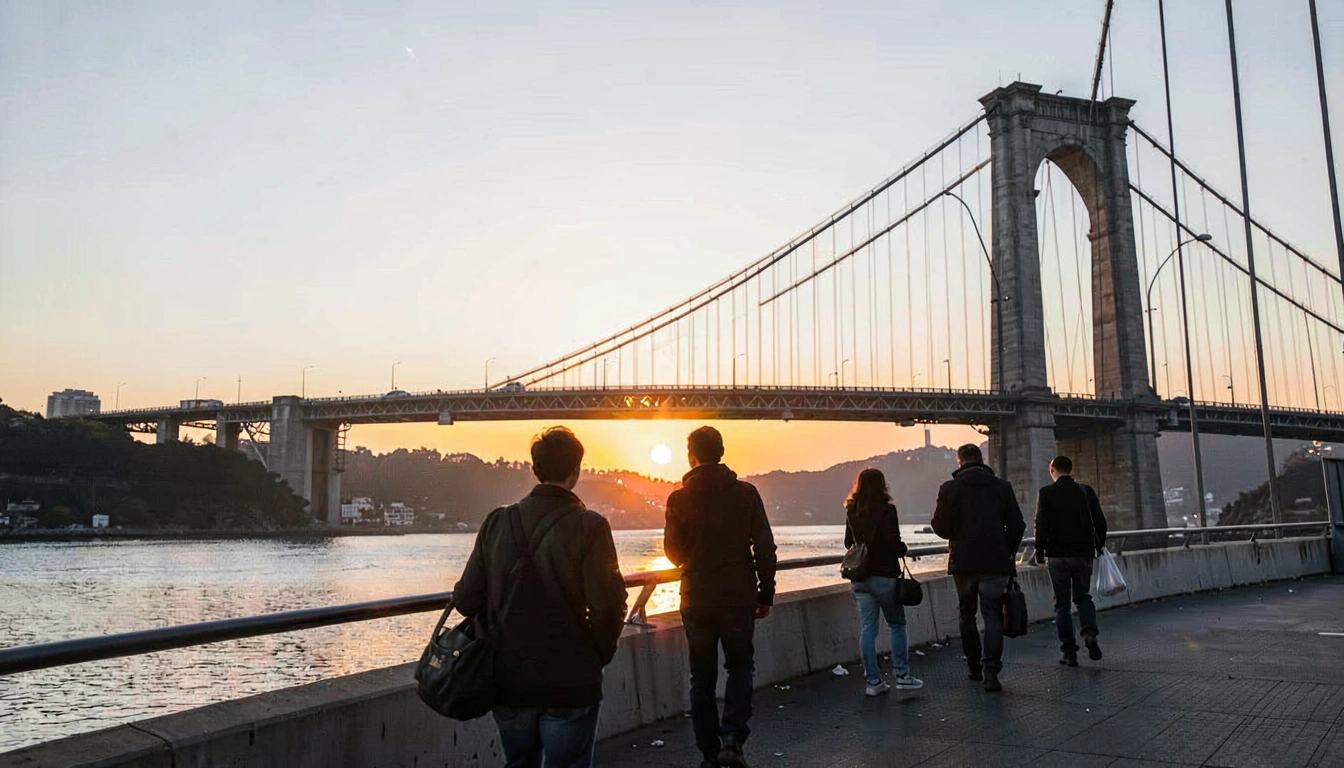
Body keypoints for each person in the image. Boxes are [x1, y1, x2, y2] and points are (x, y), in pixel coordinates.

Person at [453, 427, 627, 768]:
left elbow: (466, 600)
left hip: (508, 677)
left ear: (535, 469)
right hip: (571, 678)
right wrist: (596, 655)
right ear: (576, 471)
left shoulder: (497, 522)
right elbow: (608, 605)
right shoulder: (590, 526)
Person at [665, 426, 777, 768]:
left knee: (701, 677)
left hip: (696, 598)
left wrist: (693, 554)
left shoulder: (678, 499)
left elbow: (673, 552)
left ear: (691, 456)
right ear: (722, 452)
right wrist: (765, 592)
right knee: (740, 666)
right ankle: (733, 739)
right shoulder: (746, 494)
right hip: (739, 596)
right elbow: (766, 547)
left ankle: (709, 752)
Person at [930, 443, 1026, 693]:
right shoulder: (1002, 488)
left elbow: (939, 526)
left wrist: (956, 534)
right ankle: (991, 672)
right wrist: (1008, 551)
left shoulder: (949, 488)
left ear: (959, 461)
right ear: (981, 459)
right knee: (993, 616)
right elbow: (1017, 525)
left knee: (966, 614)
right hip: (995, 563)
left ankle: (973, 667)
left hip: (963, 563)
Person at [843, 468, 924, 696]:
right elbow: (893, 542)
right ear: (882, 485)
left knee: (868, 629)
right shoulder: (888, 510)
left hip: (860, 578)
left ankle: (873, 682)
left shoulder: (852, 511)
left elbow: (848, 542)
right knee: (896, 624)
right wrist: (903, 549)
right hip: (885, 576)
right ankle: (902, 676)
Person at [1033, 455, 1108, 667]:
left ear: (1052, 470)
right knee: (1083, 597)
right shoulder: (1086, 491)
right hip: (1083, 553)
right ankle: (1090, 634)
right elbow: (1100, 522)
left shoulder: (1046, 493)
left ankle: (1069, 651)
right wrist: (1099, 545)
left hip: (1057, 556)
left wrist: (1039, 552)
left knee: (1062, 605)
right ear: (1070, 469)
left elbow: (1041, 524)